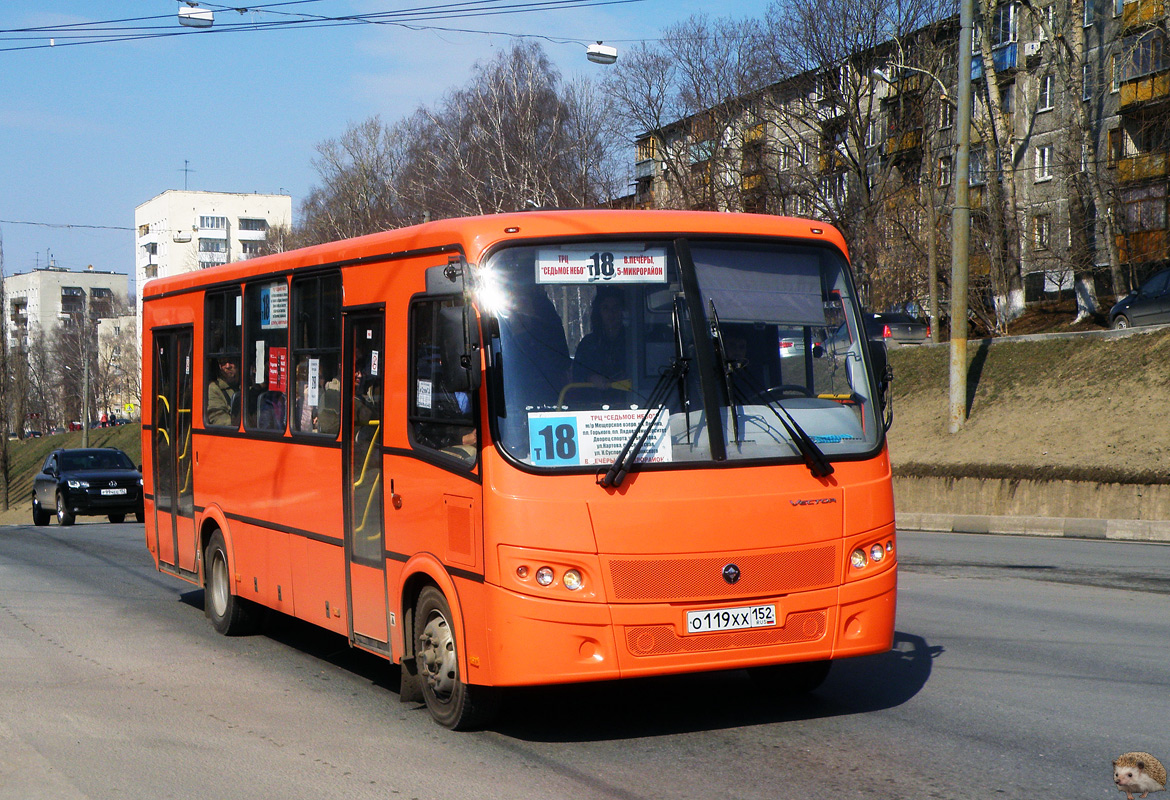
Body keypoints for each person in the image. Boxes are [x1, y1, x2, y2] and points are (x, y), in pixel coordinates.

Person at [572, 286, 629, 406]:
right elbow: (576, 373)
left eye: (615, 308)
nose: (611, 313)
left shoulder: (633, 342)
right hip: (593, 406)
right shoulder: (588, 344)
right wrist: (590, 378)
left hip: (631, 403)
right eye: (606, 308)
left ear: (622, 311)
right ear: (599, 313)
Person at [206, 357, 240, 427]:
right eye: (223, 363)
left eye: (231, 361)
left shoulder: (246, 386)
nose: (228, 366)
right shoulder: (214, 388)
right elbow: (218, 418)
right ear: (220, 367)